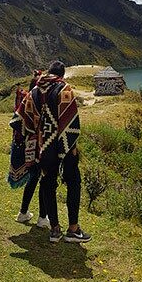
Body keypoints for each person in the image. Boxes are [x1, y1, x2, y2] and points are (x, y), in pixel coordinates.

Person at [11, 60, 91, 243]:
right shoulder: (65, 90)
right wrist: (70, 146)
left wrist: (33, 134)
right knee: (74, 182)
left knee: (47, 183)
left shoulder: (35, 91)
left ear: (49, 72)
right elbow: (71, 121)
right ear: (62, 75)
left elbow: (20, 118)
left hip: (43, 147)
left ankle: (54, 229)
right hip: (63, 145)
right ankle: (73, 229)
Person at [11, 70, 49, 228]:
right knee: (44, 180)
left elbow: (18, 123)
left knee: (33, 178)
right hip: (41, 147)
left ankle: (23, 212)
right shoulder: (41, 103)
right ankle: (42, 217)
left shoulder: (26, 103)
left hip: (28, 148)